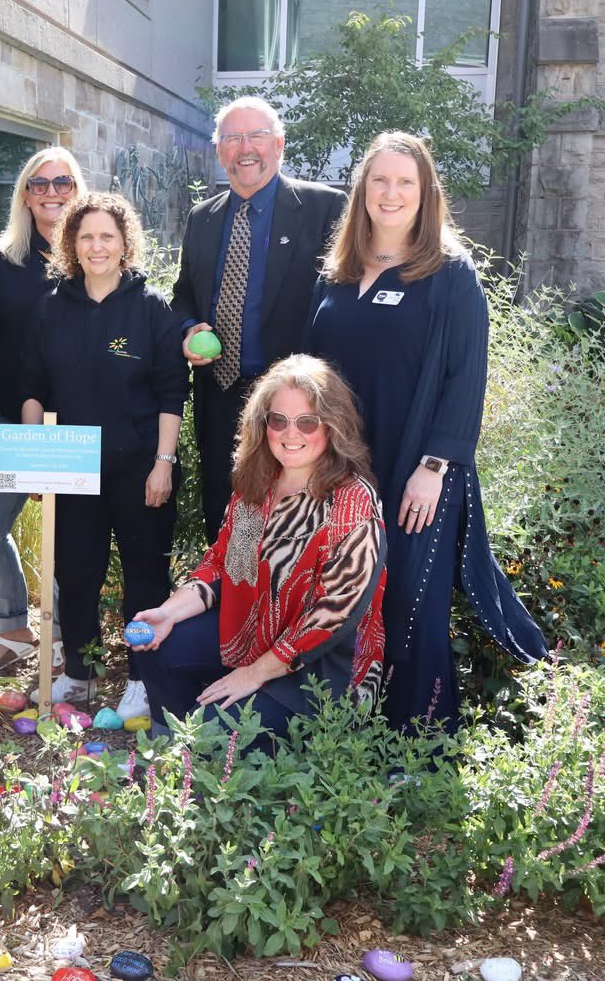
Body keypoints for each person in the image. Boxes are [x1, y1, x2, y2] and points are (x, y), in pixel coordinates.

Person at [304, 131, 547, 733]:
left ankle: (422, 741)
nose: (390, 193)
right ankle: (344, 726)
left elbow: (466, 379)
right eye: (379, 180)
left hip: (416, 467)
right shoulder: (336, 273)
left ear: (425, 192)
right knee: (340, 591)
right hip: (343, 469)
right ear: (362, 189)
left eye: (405, 182)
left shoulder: (449, 274)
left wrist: (434, 467)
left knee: (411, 602)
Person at [131, 356, 386, 742]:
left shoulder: (351, 500)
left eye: (307, 421)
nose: (290, 433)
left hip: (318, 670)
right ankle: (173, 758)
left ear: (332, 425)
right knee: (157, 647)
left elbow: (332, 615)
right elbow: (224, 566)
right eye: (278, 420)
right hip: (253, 635)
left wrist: (254, 674)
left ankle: (208, 755)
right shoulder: (259, 484)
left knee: (217, 735)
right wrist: (168, 612)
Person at [20, 192, 189, 719]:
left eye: (107, 237)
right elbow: (32, 388)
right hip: (71, 464)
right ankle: (80, 672)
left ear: (124, 243)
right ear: (71, 243)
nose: (97, 246)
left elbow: (171, 391)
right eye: (87, 236)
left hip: (140, 466)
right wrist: (36, 458)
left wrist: (163, 463)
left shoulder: (151, 307)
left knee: (145, 575)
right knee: (76, 573)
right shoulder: (50, 307)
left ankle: (143, 677)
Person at [172, 96, 345, 543]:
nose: (245, 148)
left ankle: (286, 591)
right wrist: (189, 328)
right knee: (228, 518)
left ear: (279, 145)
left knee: (295, 522)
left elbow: (345, 301)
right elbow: (183, 294)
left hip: (296, 409)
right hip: (220, 399)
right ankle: (235, 587)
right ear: (219, 151)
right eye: (233, 138)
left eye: (256, 136)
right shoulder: (202, 218)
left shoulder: (326, 209)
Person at [0, 147, 88, 675]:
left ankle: (62, 641)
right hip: (14, 421)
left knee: (64, 536)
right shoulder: (4, 264)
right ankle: (14, 630)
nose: (51, 192)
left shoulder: (94, 255)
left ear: (77, 190)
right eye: (39, 184)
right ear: (25, 195)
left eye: (63, 182)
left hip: (74, 427)